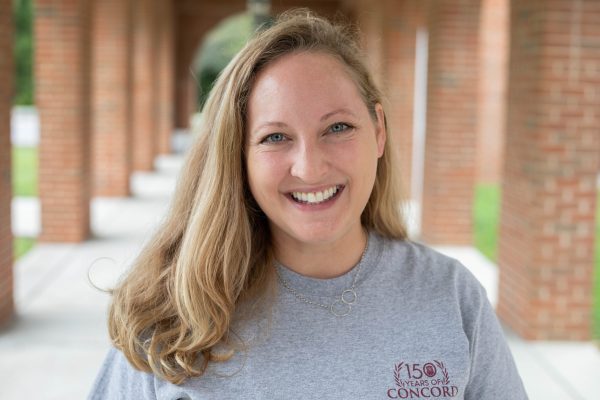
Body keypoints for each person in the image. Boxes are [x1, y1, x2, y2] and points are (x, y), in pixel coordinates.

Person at [89, 9, 528, 400]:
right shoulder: (169, 315)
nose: (309, 167)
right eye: (275, 137)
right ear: (238, 157)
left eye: (337, 127)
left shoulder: (451, 297)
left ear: (378, 130)